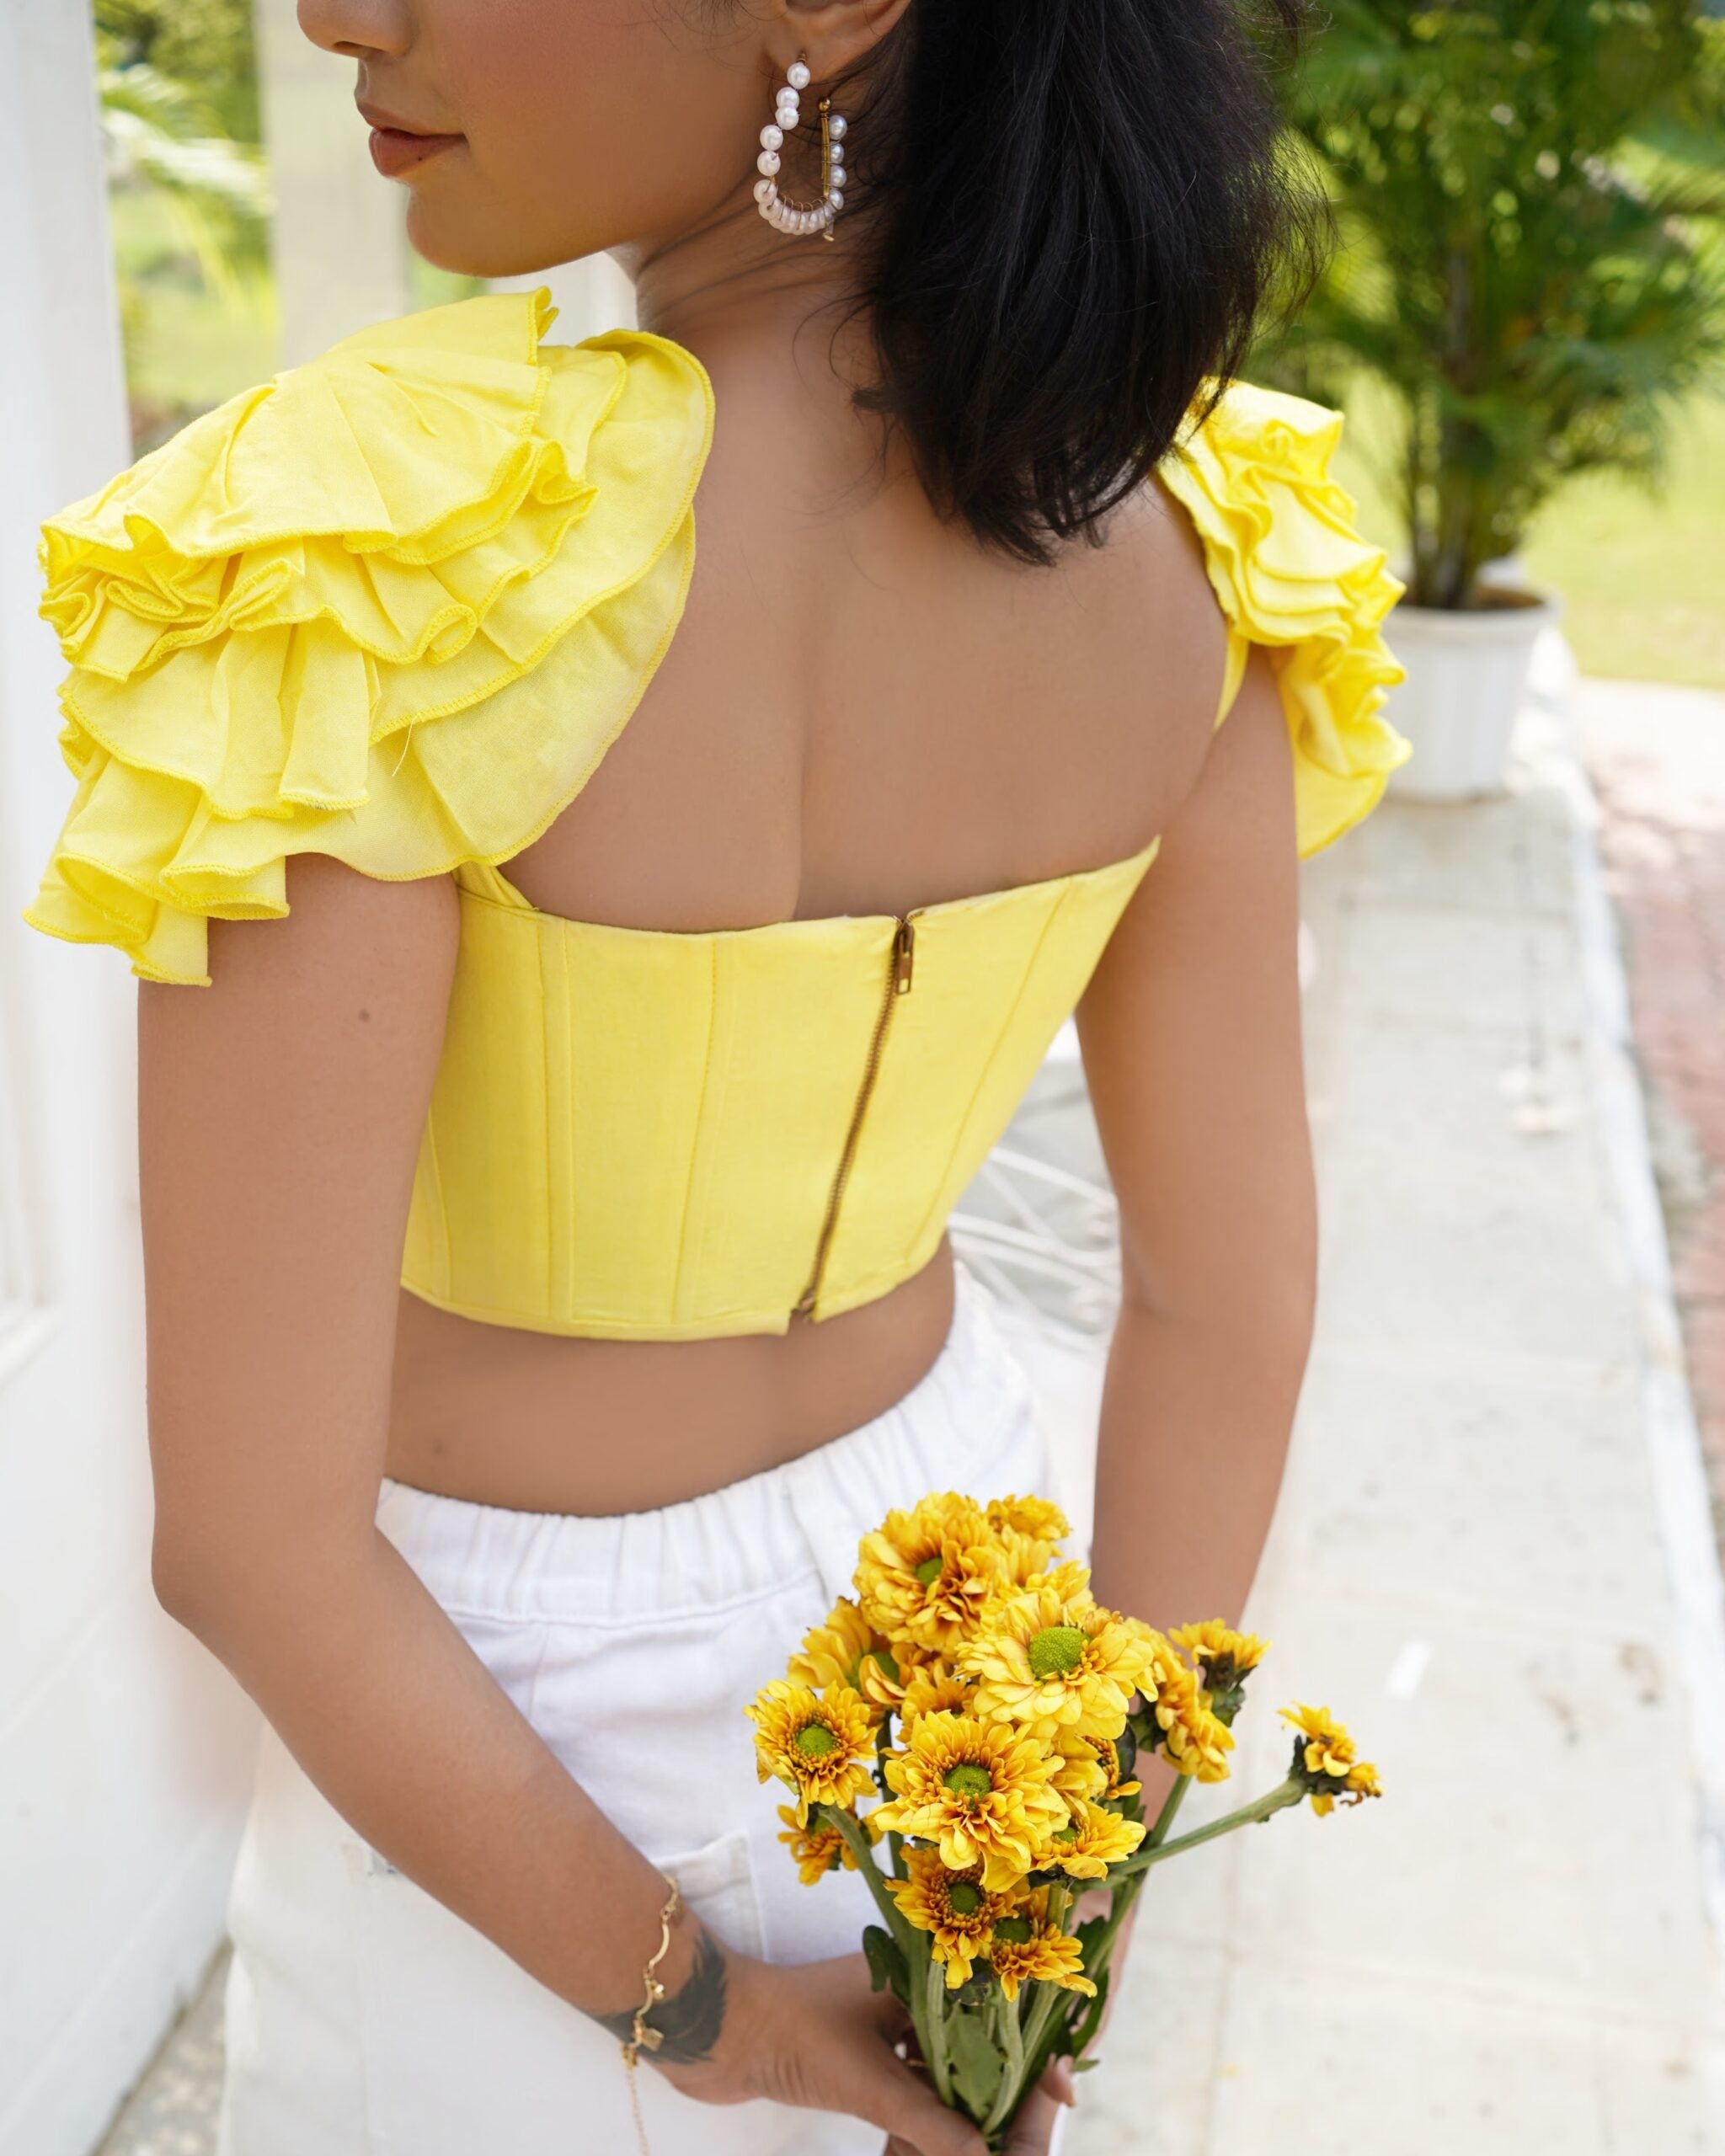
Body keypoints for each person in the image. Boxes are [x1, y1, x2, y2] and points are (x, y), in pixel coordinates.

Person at [24, 0, 1407, 2150]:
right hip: (963, 1615)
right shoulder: (1188, 528)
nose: (329, 15)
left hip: (471, 1712)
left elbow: (257, 1547)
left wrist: (715, 2024)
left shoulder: (390, 560)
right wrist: (1081, 1851)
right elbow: (1233, 1301)